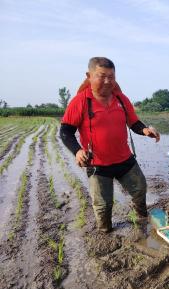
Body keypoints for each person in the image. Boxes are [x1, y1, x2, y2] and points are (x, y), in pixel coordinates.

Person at [60, 57, 160, 234]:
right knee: (103, 205)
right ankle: (105, 232)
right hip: (98, 165)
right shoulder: (80, 101)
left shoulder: (121, 99)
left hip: (124, 159)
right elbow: (65, 132)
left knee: (140, 189)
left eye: (111, 77)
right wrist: (77, 151)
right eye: (102, 76)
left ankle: (142, 219)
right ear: (89, 76)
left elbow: (133, 122)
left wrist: (145, 130)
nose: (107, 81)